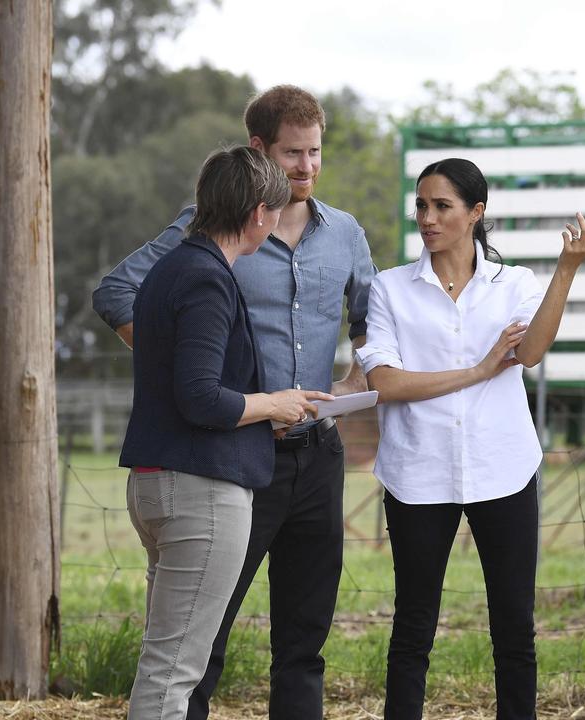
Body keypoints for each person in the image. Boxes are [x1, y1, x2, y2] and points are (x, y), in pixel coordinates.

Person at [93, 85, 377, 720]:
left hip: (317, 456)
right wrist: (183, 372)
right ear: (259, 151)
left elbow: (370, 321)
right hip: (233, 455)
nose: (306, 167)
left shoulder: (347, 234)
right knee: (201, 639)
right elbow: (118, 292)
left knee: (304, 643)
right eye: (292, 153)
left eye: (315, 152)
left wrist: (360, 380)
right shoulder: (212, 229)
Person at [355, 157, 585, 719]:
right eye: (421, 205)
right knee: (413, 627)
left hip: (504, 471)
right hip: (417, 476)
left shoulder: (514, 284)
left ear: (476, 213)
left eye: (442, 206)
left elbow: (532, 353)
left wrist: (567, 268)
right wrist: (478, 369)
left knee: (514, 629)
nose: (427, 217)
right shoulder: (390, 289)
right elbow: (387, 383)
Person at [120, 145, 325, 720]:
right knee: (175, 672)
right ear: (259, 214)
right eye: (276, 213)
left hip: (157, 480)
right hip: (201, 492)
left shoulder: (171, 269)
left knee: (164, 660)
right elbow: (202, 397)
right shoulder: (208, 278)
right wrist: (275, 403)